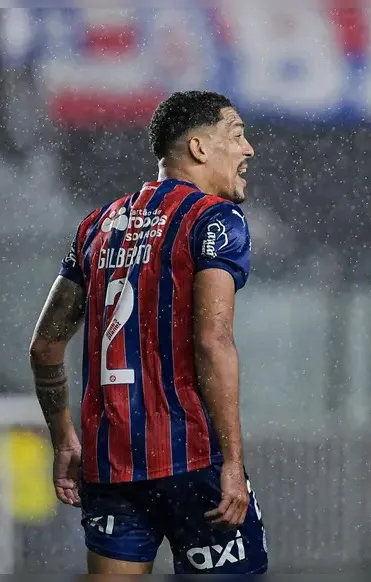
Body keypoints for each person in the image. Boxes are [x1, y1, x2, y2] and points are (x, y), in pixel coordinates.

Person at [28, 90, 268, 575]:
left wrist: (65, 440)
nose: (249, 150)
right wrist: (231, 463)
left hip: (109, 465)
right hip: (190, 458)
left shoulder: (97, 226)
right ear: (200, 148)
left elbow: (45, 346)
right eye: (238, 136)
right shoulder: (215, 219)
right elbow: (212, 340)